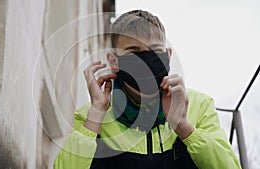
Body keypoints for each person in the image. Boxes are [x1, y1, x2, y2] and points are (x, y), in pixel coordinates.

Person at [54, 10, 241, 169]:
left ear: (167, 55)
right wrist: (96, 114)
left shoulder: (199, 107)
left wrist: (183, 127)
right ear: (114, 61)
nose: (145, 59)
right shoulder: (91, 115)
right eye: (134, 52)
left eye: (154, 49)